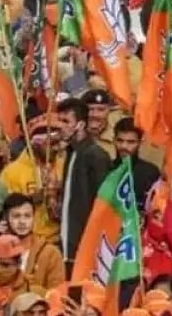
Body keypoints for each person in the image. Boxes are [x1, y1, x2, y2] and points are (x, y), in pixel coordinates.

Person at [55, 98, 112, 275]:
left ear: (80, 124)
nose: (60, 126)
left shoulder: (96, 156)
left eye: (66, 121)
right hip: (67, 244)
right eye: (59, 121)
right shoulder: (70, 153)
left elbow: (103, 205)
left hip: (85, 247)